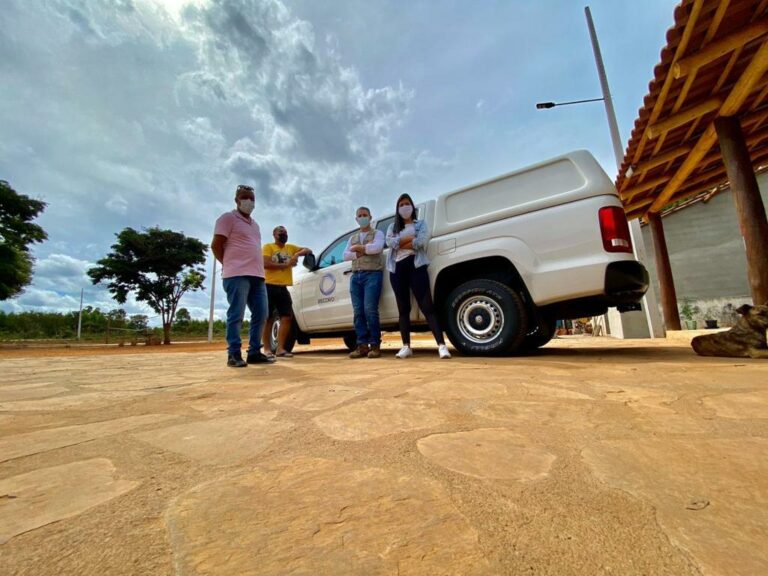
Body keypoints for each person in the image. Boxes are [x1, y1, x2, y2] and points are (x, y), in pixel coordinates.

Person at [211, 185, 274, 368]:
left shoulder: (255, 225)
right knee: (236, 314)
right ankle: (234, 353)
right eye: (245, 197)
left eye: (252, 198)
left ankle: (254, 352)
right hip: (236, 275)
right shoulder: (227, 218)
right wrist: (229, 264)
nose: (249, 201)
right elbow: (216, 245)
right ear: (237, 200)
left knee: (262, 313)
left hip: (258, 275)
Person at [386, 193, 451, 359]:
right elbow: (390, 243)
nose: (404, 207)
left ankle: (441, 346)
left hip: (416, 266)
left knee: (428, 306)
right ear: (397, 209)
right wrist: (408, 239)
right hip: (397, 269)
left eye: (407, 204)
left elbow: (421, 242)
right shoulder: (392, 227)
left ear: (412, 207)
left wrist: (401, 241)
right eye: (401, 205)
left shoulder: (420, 223)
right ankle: (406, 346)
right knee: (403, 309)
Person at [261, 226, 312, 358]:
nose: (283, 235)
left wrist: (296, 255)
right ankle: (266, 349)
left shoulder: (290, 248)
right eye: (281, 233)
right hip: (269, 286)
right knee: (268, 318)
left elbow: (307, 249)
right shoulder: (269, 247)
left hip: (283, 287)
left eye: (285, 233)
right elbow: (265, 263)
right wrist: (286, 265)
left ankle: (280, 349)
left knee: (287, 317)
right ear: (274, 235)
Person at [342, 206, 385, 358]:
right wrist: (360, 253)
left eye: (365, 215)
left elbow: (377, 248)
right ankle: (362, 346)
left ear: (370, 216)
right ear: (356, 219)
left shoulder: (377, 233)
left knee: (370, 309)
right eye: (359, 215)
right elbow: (345, 256)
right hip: (356, 277)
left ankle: (375, 345)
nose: (362, 217)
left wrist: (359, 248)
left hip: (372, 274)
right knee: (358, 312)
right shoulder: (352, 238)